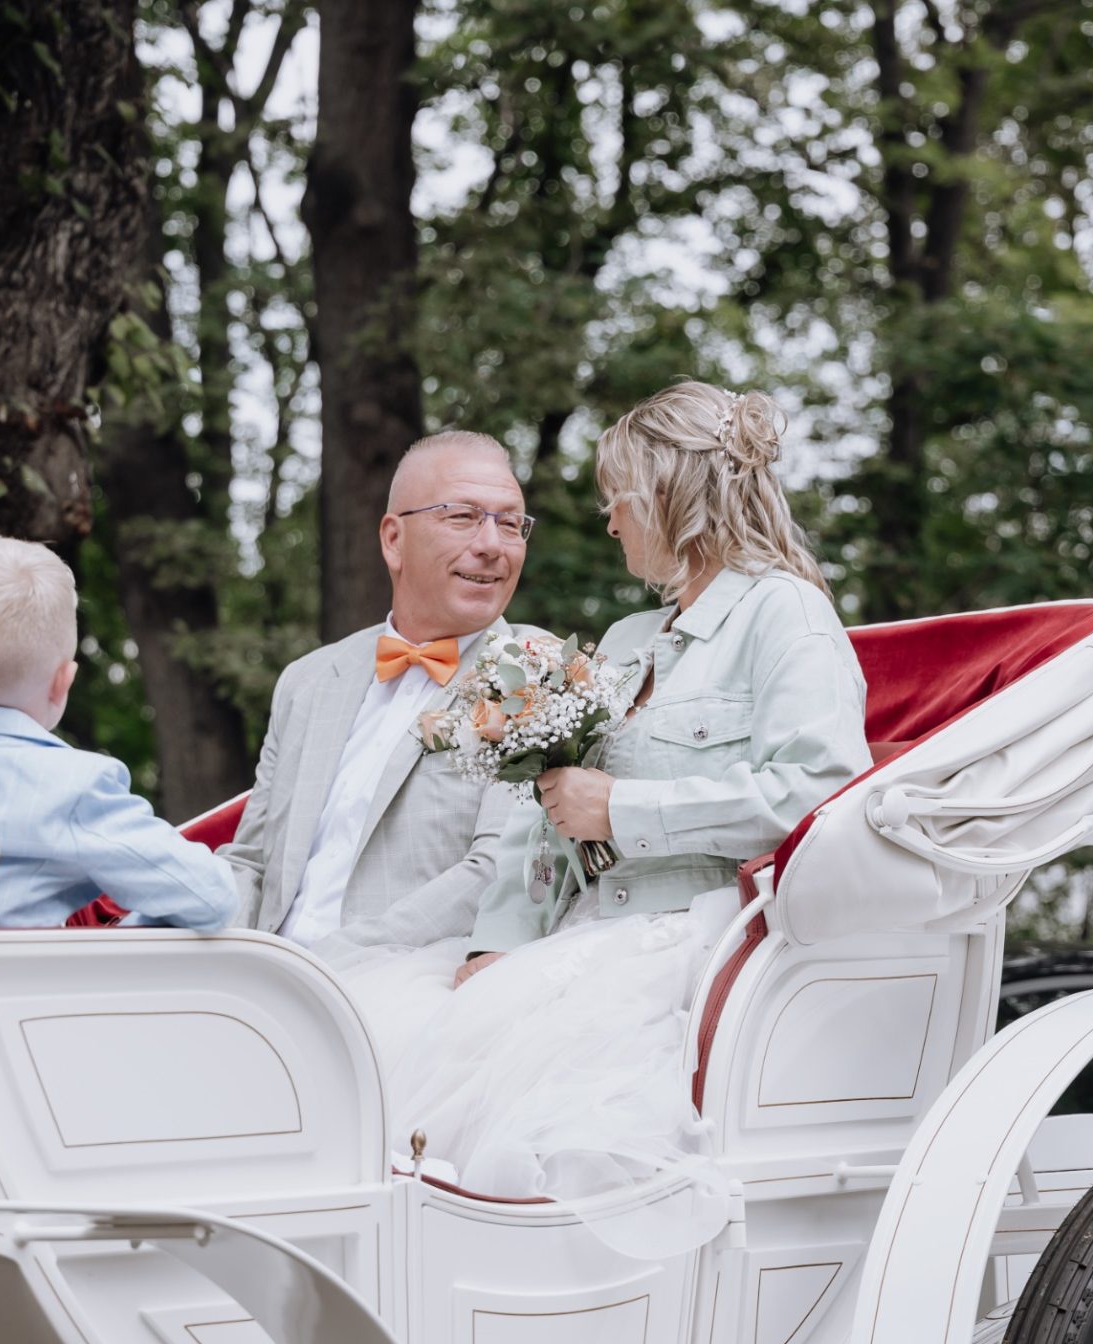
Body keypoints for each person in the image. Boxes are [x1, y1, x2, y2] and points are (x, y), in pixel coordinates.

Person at [351, 379, 873, 1203]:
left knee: (519, 1117)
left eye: (617, 499)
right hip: (580, 933)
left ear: (665, 495)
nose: (610, 522)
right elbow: (543, 811)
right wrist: (498, 940)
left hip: (691, 941)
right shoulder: (630, 639)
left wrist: (623, 811)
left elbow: (822, 792)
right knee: (379, 1034)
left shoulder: (787, 614)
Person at [216, 431, 550, 965]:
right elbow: (252, 860)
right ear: (394, 539)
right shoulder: (308, 680)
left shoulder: (535, 671)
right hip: (261, 977)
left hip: (409, 977)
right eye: (463, 516)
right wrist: (219, 963)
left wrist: (316, 968)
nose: (492, 544)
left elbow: (498, 867)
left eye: (510, 523)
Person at [0, 535, 239, 931]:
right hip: (2, 973)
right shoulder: (72, 789)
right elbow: (212, 898)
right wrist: (122, 932)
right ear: (61, 683)